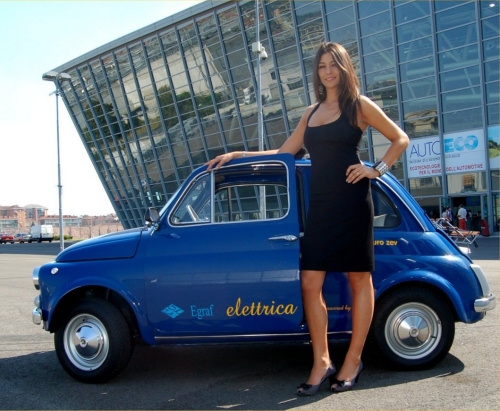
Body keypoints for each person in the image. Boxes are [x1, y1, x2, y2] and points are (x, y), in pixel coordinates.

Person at [206, 42, 409, 395]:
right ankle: (322, 361)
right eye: (322, 66)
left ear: (344, 68)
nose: (328, 71)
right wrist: (240, 154)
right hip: (321, 207)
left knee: (360, 280)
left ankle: (352, 360)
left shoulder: (359, 105)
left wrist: (375, 169)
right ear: (316, 72)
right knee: (310, 282)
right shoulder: (311, 113)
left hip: (353, 203)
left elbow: (400, 138)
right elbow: (284, 152)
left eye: (334, 65)